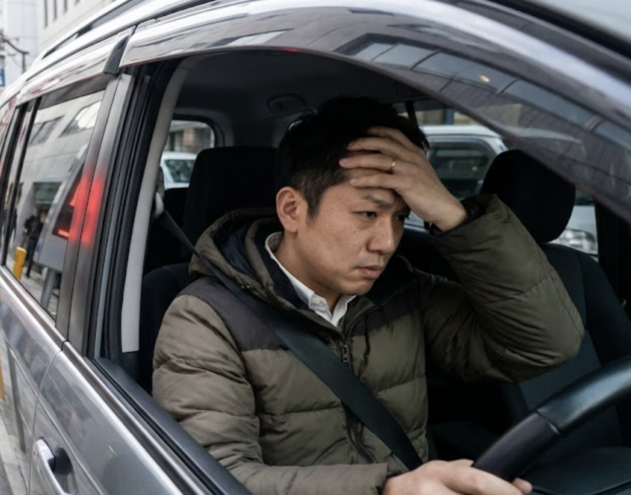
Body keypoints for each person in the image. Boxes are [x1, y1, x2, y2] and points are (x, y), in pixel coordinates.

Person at [152, 97, 583, 495]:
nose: (388, 241)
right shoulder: (205, 318)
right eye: (367, 213)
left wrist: (454, 215)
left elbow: (546, 345)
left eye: (401, 217)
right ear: (292, 210)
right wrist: (389, 488)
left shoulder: (401, 292)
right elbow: (210, 479)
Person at [23, 209, 46, 277]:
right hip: (33, 239)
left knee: (30, 255)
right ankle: (25, 267)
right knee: (29, 254)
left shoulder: (39, 223)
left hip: (34, 240)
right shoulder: (37, 222)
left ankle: (27, 270)